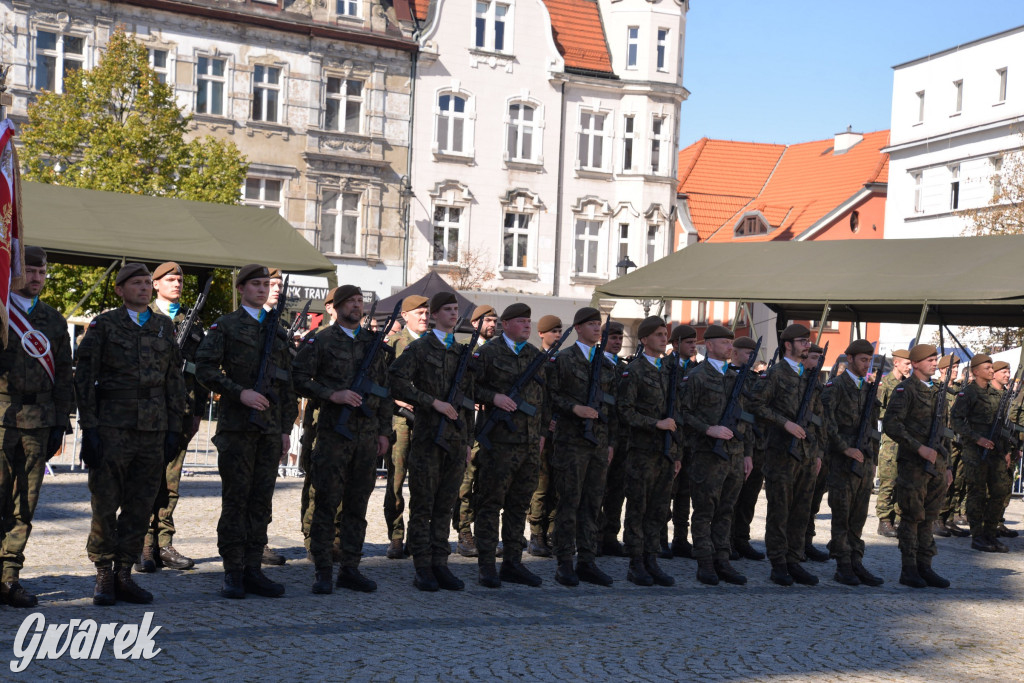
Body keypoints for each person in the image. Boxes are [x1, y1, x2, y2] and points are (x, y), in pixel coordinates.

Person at [75, 262, 187, 605]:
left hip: (152, 430)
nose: (142, 288)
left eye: (145, 283)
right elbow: (84, 378)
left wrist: (174, 426)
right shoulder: (104, 325)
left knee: (141, 505)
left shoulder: (163, 326)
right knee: (105, 504)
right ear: (119, 290)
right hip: (113, 427)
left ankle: (125, 572)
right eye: (135, 283)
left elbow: (173, 379)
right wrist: (89, 428)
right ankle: (104, 573)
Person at [194, 264, 298, 599]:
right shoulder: (226, 326)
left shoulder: (277, 331)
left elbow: (286, 385)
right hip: (238, 427)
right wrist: (238, 392)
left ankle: (254, 567)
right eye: (255, 284)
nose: (262, 289)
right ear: (241, 288)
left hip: (269, 431)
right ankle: (232, 571)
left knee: (261, 502)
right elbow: (205, 368)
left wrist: (285, 429)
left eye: (266, 284)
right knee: (236, 501)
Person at [293, 285, 392, 594]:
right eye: (350, 301)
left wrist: (385, 432)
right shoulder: (320, 340)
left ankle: (350, 567)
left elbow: (385, 391)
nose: (356, 306)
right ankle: (323, 569)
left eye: (360, 301)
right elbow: (298, 379)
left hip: (366, 436)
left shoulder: (373, 344)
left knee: (357, 504)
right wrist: (331, 394)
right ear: (336, 307)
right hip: (333, 433)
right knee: (326, 502)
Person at [0, 246, 73, 607]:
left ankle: (9, 578)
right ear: (15, 272)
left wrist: (62, 422)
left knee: (23, 505)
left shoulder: (54, 320)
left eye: (41, 273)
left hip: (39, 422)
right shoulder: (1, 312)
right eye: (29, 271)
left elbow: (64, 376)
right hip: (1, 417)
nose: (36, 278)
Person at [389, 292, 474, 591]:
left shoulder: (461, 352)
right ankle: (422, 566)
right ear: (434, 315)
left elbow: (467, 401)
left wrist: (467, 441)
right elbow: (396, 381)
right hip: (428, 437)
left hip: (455, 438)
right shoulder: (420, 348)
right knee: (424, 505)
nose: (453, 314)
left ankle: (441, 563)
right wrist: (431, 402)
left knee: (446, 504)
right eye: (446, 310)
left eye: (455, 309)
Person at [136, 261, 206, 573]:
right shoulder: (144, 316)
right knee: (145, 477)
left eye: (179, 279)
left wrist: (198, 412)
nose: (176, 284)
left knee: (171, 480)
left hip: (182, 411)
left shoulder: (193, 320)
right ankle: (143, 544)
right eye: (169, 279)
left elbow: (202, 371)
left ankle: (164, 542)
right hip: (149, 412)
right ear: (155, 284)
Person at [471, 303, 545, 588]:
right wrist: (494, 398)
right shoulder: (487, 353)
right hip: (499, 444)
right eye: (521, 321)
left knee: (519, 506)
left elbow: (543, 399)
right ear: (505, 325)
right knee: (490, 504)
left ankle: (513, 563)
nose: (527, 325)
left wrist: (541, 435)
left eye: (529, 321)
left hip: (528, 445)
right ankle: (487, 565)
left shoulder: (534, 355)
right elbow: (469, 386)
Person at [547, 308, 618, 587]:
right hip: (571, 441)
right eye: (591, 324)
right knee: (569, 502)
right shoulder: (563, 359)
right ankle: (564, 561)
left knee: (592, 503)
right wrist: (573, 408)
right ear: (577, 328)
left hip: (598, 443)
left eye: (598, 324)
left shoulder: (607, 363)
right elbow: (550, 395)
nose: (597, 329)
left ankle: (587, 560)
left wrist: (610, 441)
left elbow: (613, 407)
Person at [749, 323, 824, 587]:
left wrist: (817, 452)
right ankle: (779, 563)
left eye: (808, 341)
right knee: (780, 511)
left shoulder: (809, 375)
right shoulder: (776, 374)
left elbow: (816, 417)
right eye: (803, 341)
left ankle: (794, 559)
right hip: (781, 454)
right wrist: (785, 423)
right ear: (788, 345)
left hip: (805, 454)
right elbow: (756, 405)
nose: (807, 345)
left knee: (801, 511)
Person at [680, 324, 754, 586]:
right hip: (707, 456)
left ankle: (723, 560)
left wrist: (746, 453)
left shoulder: (735, 377)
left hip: (733, 456)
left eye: (730, 343)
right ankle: (705, 562)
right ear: (709, 345)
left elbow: (743, 419)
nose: (729, 347)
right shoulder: (697, 376)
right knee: (704, 511)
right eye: (724, 342)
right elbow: (683, 414)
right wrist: (708, 429)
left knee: (726, 511)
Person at [617, 317, 680, 587]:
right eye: (657, 334)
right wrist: (655, 423)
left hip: (665, 453)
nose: (663, 338)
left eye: (665, 333)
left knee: (659, 510)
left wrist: (676, 453)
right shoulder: (635, 371)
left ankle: (652, 558)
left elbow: (677, 415)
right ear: (644, 340)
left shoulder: (669, 370)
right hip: (642, 452)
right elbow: (625, 412)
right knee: (638, 509)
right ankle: (636, 563)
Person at [883, 343, 953, 588]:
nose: (935, 363)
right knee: (912, 516)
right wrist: (918, 447)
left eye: (936, 359)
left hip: (937, 465)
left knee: (930, 517)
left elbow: (945, 433)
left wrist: (948, 466)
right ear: (915, 364)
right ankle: (909, 568)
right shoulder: (905, 390)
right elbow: (892, 425)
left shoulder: (939, 392)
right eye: (930, 359)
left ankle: (926, 566)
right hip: (914, 464)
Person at [821, 339, 885, 586]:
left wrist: (873, 458)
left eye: (869, 360)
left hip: (865, 459)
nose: (866, 365)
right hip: (843, 460)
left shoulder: (868, 389)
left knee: (859, 514)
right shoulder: (835, 386)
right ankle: (843, 564)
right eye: (862, 360)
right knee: (842, 513)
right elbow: (827, 423)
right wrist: (844, 448)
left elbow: (872, 427)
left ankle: (857, 560)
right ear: (850, 359)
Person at [950, 354, 1013, 553]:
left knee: (1000, 491)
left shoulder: (996, 395)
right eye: (987, 368)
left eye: (991, 367)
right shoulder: (967, 393)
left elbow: (1002, 424)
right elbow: (956, 421)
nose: (991, 371)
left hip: (995, 451)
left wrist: (1007, 450)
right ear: (976, 371)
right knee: (976, 494)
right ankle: (978, 536)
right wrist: (976, 438)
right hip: (975, 452)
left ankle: (990, 533)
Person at [384, 294, 430, 559]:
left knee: (425, 482)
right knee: (396, 481)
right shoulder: (394, 344)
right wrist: (396, 397)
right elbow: (380, 380)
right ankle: (396, 535)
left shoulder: (436, 344)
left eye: (426, 313)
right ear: (405, 316)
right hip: (400, 420)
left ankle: (419, 536)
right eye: (419, 313)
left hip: (427, 421)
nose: (425, 317)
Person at [454, 304, 498, 558]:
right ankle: (463, 532)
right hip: (469, 425)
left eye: (494, 320)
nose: (492, 324)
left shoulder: (499, 350)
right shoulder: (465, 349)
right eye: (487, 320)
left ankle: (484, 534)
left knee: (487, 483)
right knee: (465, 483)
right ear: (474, 323)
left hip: (491, 427)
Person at [299, 287, 338, 558]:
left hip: (348, 426)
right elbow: (302, 378)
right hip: (319, 419)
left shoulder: (359, 339)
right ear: (329, 308)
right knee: (315, 480)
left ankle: (336, 538)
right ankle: (311, 534)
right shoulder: (317, 337)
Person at [730, 336, 768, 561]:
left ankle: (741, 538)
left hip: (758, 445)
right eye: (747, 354)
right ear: (734, 353)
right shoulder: (727, 377)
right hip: (735, 444)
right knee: (732, 497)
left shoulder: (755, 380)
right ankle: (726, 540)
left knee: (750, 497)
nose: (751, 358)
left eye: (753, 354)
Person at [527, 314, 563, 557]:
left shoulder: (565, 360)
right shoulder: (537, 359)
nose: (558, 335)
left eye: (560, 330)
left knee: (558, 485)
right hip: (542, 430)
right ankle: (536, 533)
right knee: (541, 485)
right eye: (553, 331)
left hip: (563, 431)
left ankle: (551, 531)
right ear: (541, 334)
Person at [667, 324, 699, 558]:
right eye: (688, 342)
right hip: (671, 436)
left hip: (692, 439)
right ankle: (658, 538)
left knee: (685, 492)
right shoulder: (667, 368)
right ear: (676, 344)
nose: (693, 345)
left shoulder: (698, 369)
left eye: (694, 342)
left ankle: (680, 538)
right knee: (665, 490)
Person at [599, 321, 630, 557]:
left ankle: (610, 536)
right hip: (601, 436)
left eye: (620, 338)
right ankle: (593, 537)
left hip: (623, 438)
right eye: (613, 338)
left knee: (617, 490)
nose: (617, 342)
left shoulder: (623, 367)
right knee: (597, 489)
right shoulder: (596, 364)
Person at [876, 349, 912, 537]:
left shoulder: (907, 385)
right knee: (888, 481)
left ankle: (898, 519)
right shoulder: (885, 384)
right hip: (890, 440)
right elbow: (877, 411)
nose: (909, 367)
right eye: (906, 363)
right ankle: (884, 520)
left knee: (902, 481)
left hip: (906, 441)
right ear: (896, 363)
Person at [803, 343, 831, 563]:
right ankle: (791, 546)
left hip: (819, 451)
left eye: (820, 359)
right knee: (798, 501)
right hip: (800, 451)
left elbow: (823, 422)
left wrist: (821, 452)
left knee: (813, 501)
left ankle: (806, 542)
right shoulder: (799, 385)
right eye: (813, 358)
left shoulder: (820, 388)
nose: (817, 363)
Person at [936, 355, 970, 538]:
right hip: (943, 443)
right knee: (943, 481)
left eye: (957, 367)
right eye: (953, 367)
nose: (956, 370)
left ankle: (948, 517)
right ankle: (937, 518)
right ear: (942, 369)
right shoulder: (937, 390)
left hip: (958, 442)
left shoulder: (959, 390)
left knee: (956, 481)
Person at [991, 360, 1021, 539]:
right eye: (1003, 372)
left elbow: (1013, 425)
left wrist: (1017, 446)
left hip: (1009, 448)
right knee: (992, 490)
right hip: (995, 450)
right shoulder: (989, 395)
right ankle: (987, 526)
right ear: (993, 373)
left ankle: (998, 521)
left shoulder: (1008, 396)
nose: (1007, 375)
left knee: (1005, 489)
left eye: (1008, 372)